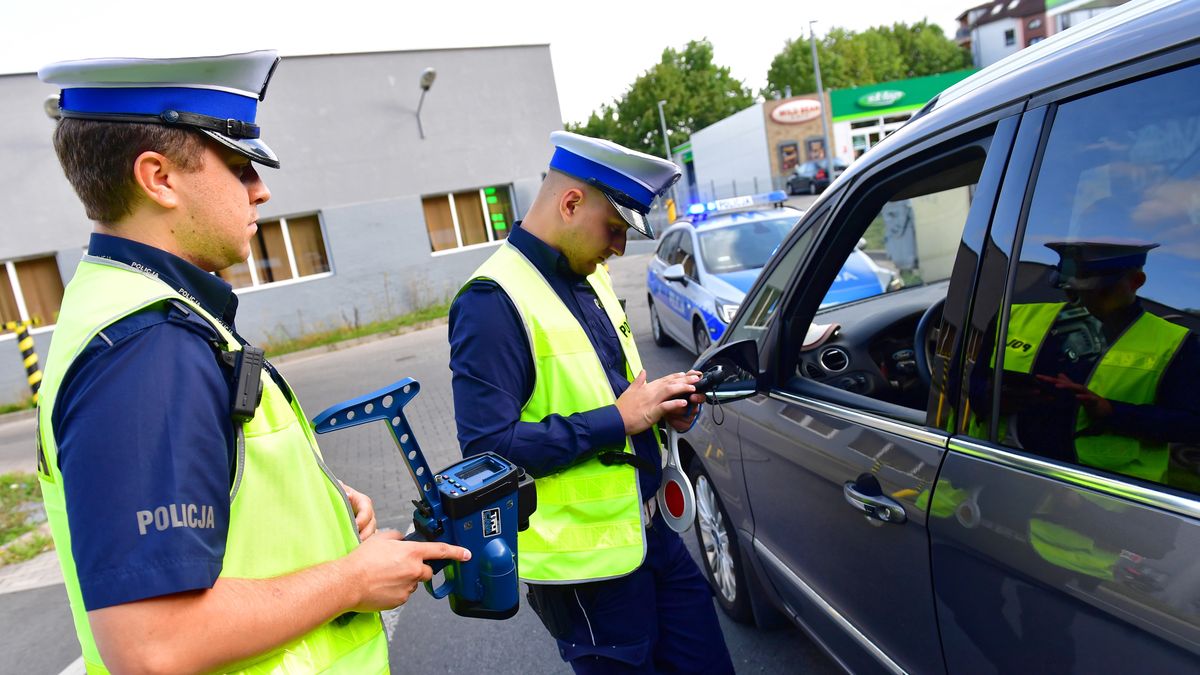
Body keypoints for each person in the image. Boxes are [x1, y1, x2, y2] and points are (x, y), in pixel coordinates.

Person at [35, 51, 469, 674]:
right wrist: (351, 579)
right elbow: (151, 643)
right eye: (240, 167)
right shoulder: (148, 345)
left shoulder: (126, 306)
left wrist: (316, 503)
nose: (261, 190)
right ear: (158, 178)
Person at [448, 131, 735, 673]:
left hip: (650, 538)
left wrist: (658, 411)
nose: (621, 248)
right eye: (616, 228)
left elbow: (614, 397)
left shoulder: (590, 273)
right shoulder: (491, 301)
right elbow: (486, 451)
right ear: (571, 203)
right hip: (587, 573)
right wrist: (618, 421)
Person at [968, 239, 1200, 483]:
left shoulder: (1175, 343)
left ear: (1135, 282)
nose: (1083, 300)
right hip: (1004, 472)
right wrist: (996, 397)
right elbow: (967, 386)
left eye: (1099, 290)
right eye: (1072, 290)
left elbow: (1191, 425)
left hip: (1106, 497)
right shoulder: (1015, 318)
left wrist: (1110, 411)